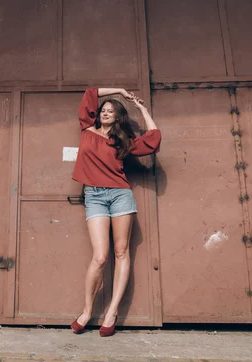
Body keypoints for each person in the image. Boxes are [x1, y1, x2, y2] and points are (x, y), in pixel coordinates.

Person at [70, 87, 161, 337]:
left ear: (118, 117)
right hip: (95, 196)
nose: (106, 112)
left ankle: (112, 312)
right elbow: (91, 93)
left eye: (111, 111)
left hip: (120, 195)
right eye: (103, 110)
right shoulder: (87, 130)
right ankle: (87, 312)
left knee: (122, 253)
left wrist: (142, 109)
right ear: (97, 115)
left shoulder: (123, 141)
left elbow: (153, 139)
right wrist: (120, 91)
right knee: (100, 257)